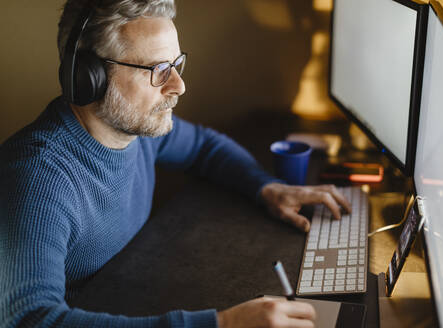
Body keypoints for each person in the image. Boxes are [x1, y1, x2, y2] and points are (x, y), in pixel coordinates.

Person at [0, 0, 350, 327]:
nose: (179, 86)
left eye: (176, 64)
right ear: (88, 77)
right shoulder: (36, 178)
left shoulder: (138, 128)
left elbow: (202, 146)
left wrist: (267, 188)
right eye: (158, 69)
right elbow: (31, 318)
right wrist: (223, 324)